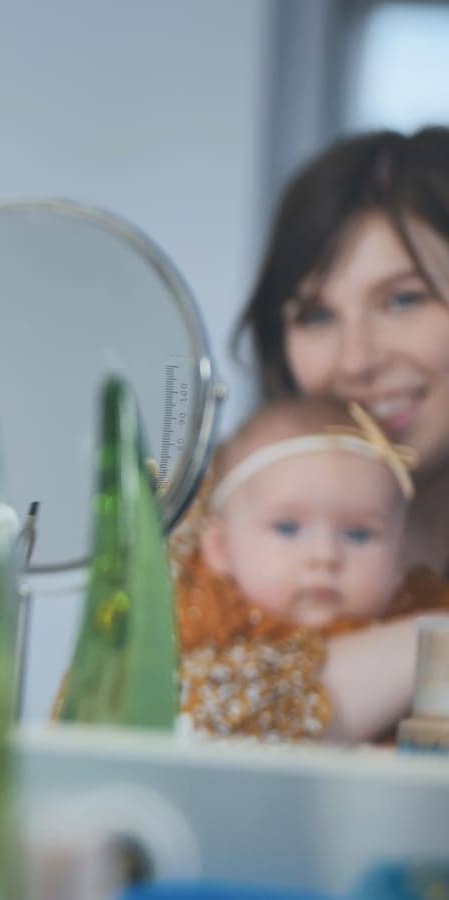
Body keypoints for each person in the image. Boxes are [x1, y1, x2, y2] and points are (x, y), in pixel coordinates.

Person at [181, 126, 449, 742]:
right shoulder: (225, 498)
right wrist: (427, 644)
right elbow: (126, 724)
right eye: (317, 315)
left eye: (403, 300)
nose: (355, 361)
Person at [176, 398, 449, 739]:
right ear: (219, 548)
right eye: (288, 528)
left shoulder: (421, 613)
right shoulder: (204, 626)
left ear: (399, 558)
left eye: (358, 533)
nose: (325, 555)